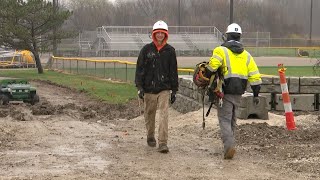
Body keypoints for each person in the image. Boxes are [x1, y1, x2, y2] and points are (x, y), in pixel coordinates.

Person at [205, 23, 262, 159]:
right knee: (232, 119)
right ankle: (230, 144)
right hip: (239, 92)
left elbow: (212, 67)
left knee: (224, 119)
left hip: (224, 91)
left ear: (227, 35)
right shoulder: (247, 55)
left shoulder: (221, 50)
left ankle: (229, 146)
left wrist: (206, 75)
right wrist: (255, 92)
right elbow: (255, 75)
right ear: (239, 37)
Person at [135, 20, 178, 153]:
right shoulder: (146, 50)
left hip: (164, 89)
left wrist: (174, 90)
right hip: (148, 89)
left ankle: (163, 143)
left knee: (164, 115)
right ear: (154, 34)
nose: (160, 35)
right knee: (149, 114)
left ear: (165, 34)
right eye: (157, 33)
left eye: (162, 33)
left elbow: (173, 71)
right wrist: (140, 87)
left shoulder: (170, 51)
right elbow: (139, 69)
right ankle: (150, 135)